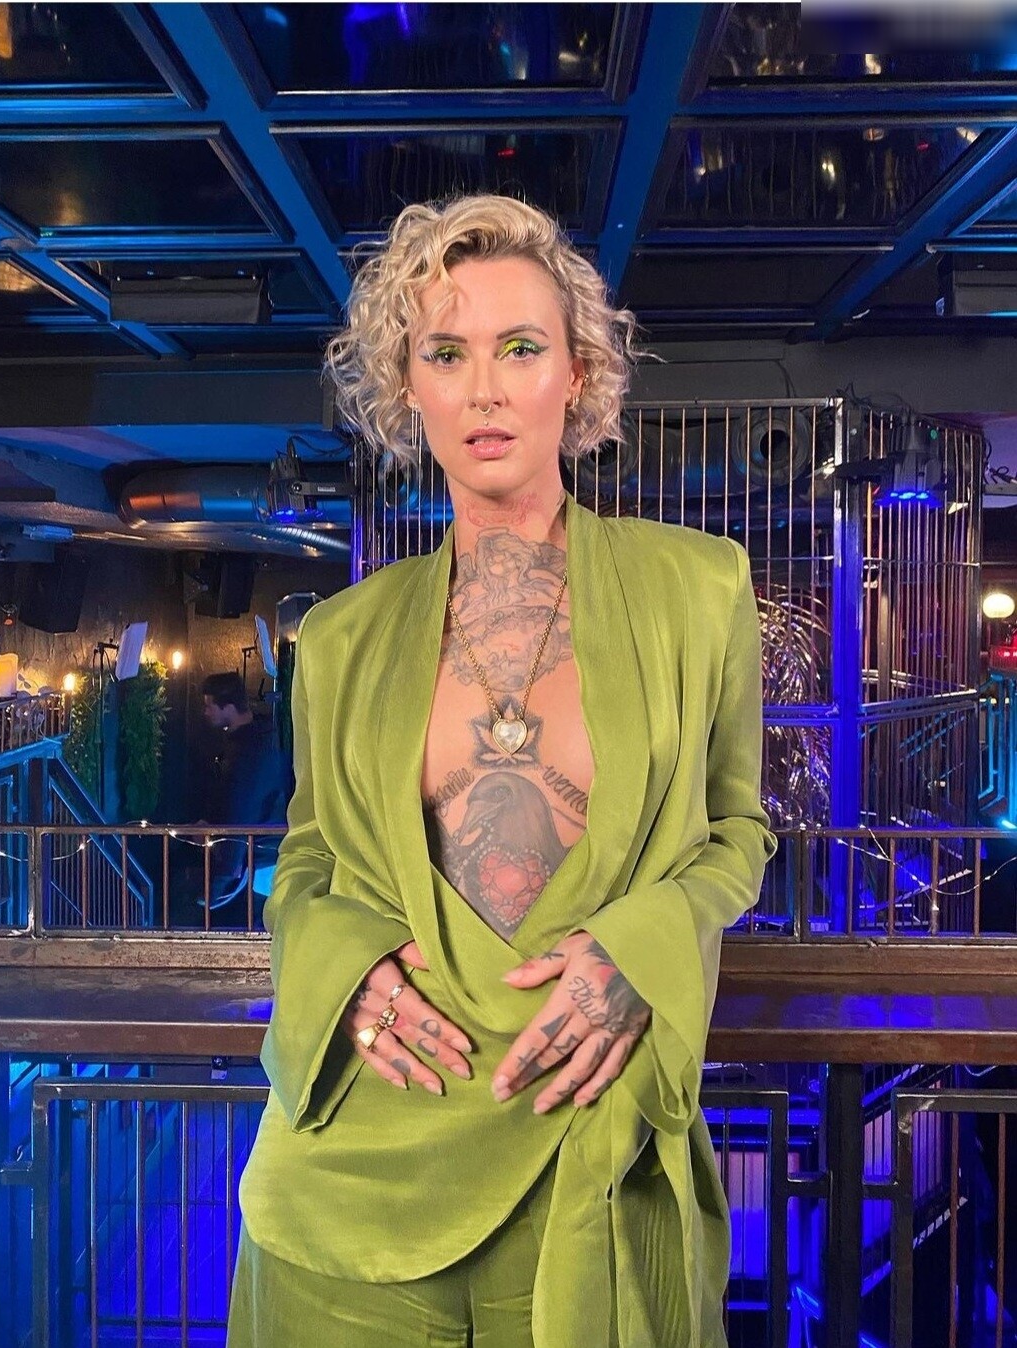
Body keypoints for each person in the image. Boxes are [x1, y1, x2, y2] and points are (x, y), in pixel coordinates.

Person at [227, 194, 777, 1347]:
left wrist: (643, 951)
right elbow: (309, 861)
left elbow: (737, 835)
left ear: (577, 374)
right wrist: (343, 969)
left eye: (519, 347)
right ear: (406, 387)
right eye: (446, 353)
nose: (484, 388)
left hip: (589, 1152)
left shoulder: (700, 588)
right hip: (355, 1182)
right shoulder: (339, 638)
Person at [185, 672, 286, 915]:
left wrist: (224, 874)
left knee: (250, 919)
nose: (206, 712)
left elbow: (243, 809)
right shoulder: (261, 738)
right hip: (257, 853)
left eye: (210, 706)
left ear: (228, 708)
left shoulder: (249, 753)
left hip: (254, 857)